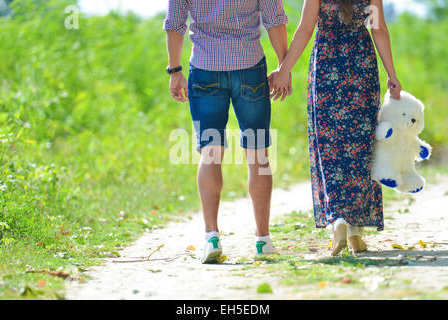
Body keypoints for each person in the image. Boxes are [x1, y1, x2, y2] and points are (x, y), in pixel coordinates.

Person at [269, 0, 402, 255]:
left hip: (327, 65)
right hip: (361, 66)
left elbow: (306, 28)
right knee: (361, 146)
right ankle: (355, 229)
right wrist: (391, 74)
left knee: (328, 146)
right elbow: (379, 29)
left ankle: (338, 220)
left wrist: (284, 68)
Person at [164, 0, 290, 263]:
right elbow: (274, 19)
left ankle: (211, 236)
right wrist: (283, 66)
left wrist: (175, 70)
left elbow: (175, 23)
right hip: (249, 67)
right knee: (258, 153)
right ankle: (263, 240)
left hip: (205, 67)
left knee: (210, 152)